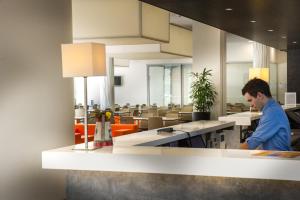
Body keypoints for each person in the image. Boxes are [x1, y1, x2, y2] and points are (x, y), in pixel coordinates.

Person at [240, 78, 291, 151]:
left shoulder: (272, 112)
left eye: (250, 100)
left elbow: (254, 142)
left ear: (259, 95)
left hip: (277, 159)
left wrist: (230, 153)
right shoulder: (272, 108)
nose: (251, 105)